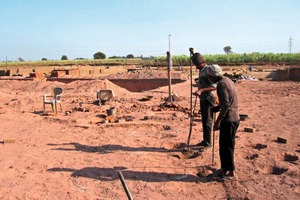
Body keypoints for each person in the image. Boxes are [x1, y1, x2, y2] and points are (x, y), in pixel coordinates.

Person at [207, 65, 240, 179]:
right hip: (234, 117)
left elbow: (226, 105)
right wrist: (217, 108)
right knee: (226, 145)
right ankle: (225, 169)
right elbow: (226, 102)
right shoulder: (228, 80)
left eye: (210, 77)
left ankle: (230, 172)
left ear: (215, 76)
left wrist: (218, 121)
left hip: (228, 119)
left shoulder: (221, 84)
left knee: (227, 147)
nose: (210, 79)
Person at [190, 48, 218, 149]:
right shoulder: (202, 69)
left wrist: (201, 90)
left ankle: (208, 143)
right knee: (204, 120)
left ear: (203, 63)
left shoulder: (208, 70)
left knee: (208, 121)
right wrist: (193, 54)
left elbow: (214, 87)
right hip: (203, 99)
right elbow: (197, 57)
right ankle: (205, 140)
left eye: (198, 65)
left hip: (208, 99)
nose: (197, 67)